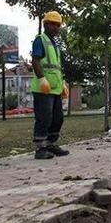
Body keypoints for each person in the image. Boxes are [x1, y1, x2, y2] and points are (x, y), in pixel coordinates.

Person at [30, 11, 70, 160]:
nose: (55, 27)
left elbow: (56, 68)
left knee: (57, 118)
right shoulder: (40, 40)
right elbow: (35, 61)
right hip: (43, 88)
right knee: (44, 118)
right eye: (52, 24)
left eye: (58, 25)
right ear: (45, 24)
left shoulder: (55, 45)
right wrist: (42, 79)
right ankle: (40, 148)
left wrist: (63, 84)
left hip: (55, 89)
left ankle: (51, 143)